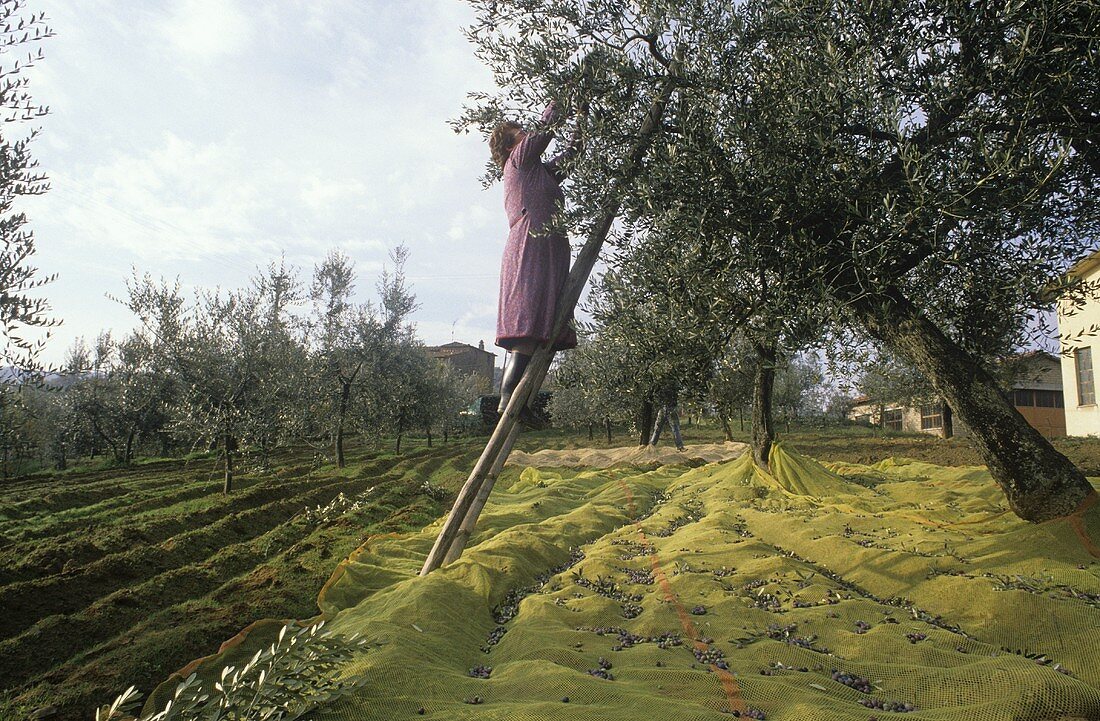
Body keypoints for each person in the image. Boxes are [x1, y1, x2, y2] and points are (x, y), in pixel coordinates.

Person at [489, 98, 584, 427]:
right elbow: (544, 131)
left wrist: (582, 121)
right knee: (529, 326)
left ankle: (521, 401)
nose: (526, 134)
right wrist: (562, 99)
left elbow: (572, 157)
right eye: (520, 132)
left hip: (548, 247)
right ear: (511, 144)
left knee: (548, 328)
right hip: (530, 246)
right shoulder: (517, 161)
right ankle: (509, 399)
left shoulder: (539, 171)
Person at [649, 380, 686, 451]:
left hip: (663, 407)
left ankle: (652, 444)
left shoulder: (661, 385)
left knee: (658, 428)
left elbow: (656, 395)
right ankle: (680, 446)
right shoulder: (673, 384)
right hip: (670, 408)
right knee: (675, 428)